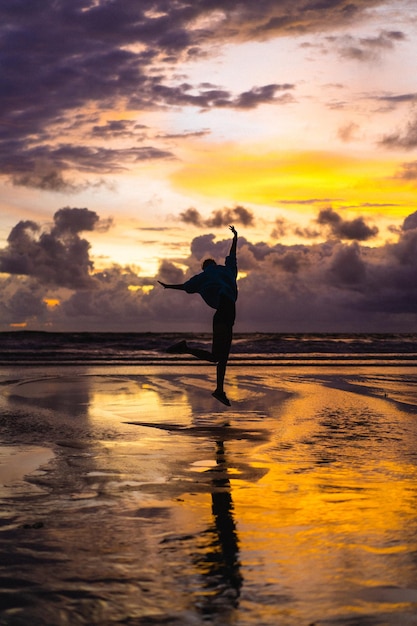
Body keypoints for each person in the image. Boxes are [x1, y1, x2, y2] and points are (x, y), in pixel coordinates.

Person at [158, 225, 238, 406]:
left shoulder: (202, 277)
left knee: (219, 357)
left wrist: (169, 286)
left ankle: (219, 389)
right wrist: (235, 238)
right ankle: (186, 350)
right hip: (228, 313)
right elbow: (233, 255)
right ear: (214, 265)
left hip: (222, 314)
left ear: (204, 267)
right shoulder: (227, 270)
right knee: (220, 358)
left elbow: (186, 286)